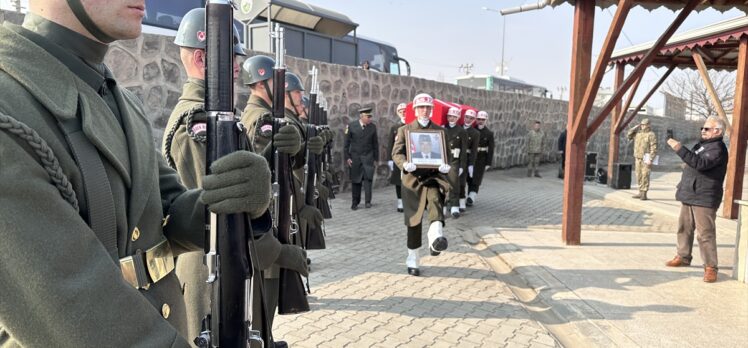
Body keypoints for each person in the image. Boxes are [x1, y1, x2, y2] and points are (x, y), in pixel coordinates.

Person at [0, 1, 270, 346]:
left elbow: (167, 211)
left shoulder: (121, 102)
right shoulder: (10, 105)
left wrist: (235, 199)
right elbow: (75, 304)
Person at [161, 10, 308, 347]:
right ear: (202, 57)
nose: (236, 69)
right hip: (208, 272)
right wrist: (277, 251)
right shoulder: (196, 122)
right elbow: (222, 210)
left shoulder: (218, 117)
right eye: (230, 59)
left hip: (233, 261)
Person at [240, 57, 322, 344]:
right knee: (263, 301)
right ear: (262, 84)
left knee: (268, 304)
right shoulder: (261, 121)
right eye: (278, 82)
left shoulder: (266, 117)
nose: (285, 88)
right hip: (268, 224)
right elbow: (267, 178)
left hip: (275, 220)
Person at [392, 93, 451, 276]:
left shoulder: (440, 131)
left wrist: (445, 165)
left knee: (435, 202)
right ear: (415, 110)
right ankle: (413, 259)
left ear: (432, 110)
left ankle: (435, 238)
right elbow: (397, 153)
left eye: (427, 107)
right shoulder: (405, 130)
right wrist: (404, 164)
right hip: (413, 181)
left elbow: (445, 154)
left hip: (433, 177)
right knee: (414, 221)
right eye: (421, 107)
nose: (424, 111)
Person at [664, 116, 728, 283]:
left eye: (706, 128)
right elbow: (692, 160)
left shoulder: (717, 148)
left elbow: (700, 164)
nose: (703, 130)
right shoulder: (702, 145)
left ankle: (710, 267)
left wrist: (679, 147)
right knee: (684, 228)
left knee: (705, 234)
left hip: (705, 196)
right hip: (690, 193)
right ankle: (683, 256)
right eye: (702, 128)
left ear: (717, 131)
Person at [344, 106, 379, 210]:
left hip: (368, 157)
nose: (370, 119)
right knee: (356, 181)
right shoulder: (351, 126)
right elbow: (346, 144)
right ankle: (355, 202)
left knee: (368, 180)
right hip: (355, 158)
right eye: (368, 117)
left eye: (370, 117)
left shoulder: (372, 127)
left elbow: (375, 144)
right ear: (361, 116)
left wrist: (376, 159)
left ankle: (368, 201)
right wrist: (347, 157)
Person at [467, 110, 495, 206]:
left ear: (486, 120)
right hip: (470, 156)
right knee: (468, 177)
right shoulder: (471, 130)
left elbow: (491, 149)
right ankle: (465, 196)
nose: (480, 121)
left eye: (483, 119)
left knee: (476, 178)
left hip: (481, 158)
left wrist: (488, 163)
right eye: (479, 119)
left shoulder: (489, 133)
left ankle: (471, 196)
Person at [444, 106, 467, 218]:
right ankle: (442, 206)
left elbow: (463, 149)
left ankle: (454, 206)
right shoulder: (442, 128)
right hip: (444, 159)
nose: (451, 118)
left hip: (454, 159)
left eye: (454, 116)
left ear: (458, 118)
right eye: (450, 116)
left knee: (454, 183)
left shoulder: (461, 131)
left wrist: (462, 165)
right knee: (442, 182)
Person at [627, 118, 657, 200]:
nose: (642, 126)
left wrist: (651, 159)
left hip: (646, 158)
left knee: (645, 175)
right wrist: (634, 127)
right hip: (637, 158)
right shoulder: (638, 133)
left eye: (644, 124)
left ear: (648, 125)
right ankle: (640, 192)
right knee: (638, 175)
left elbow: (653, 147)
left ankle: (644, 193)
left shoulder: (651, 134)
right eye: (642, 124)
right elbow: (629, 135)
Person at [388, 103, 407, 212]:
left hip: (409, 157)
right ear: (398, 113)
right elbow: (390, 143)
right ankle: (400, 202)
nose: (403, 113)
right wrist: (390, 160)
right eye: (401, 112)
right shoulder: (395, 127)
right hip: (398, 157)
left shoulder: (412, 124)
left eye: (405, 111)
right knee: (398, 181)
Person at [461, 109, 480, 209]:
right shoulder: (458, 128)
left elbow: (474, 150)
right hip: (456, 157)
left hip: (467, 158)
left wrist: (471, 164)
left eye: (471, 118)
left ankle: (462, 200)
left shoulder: (475, 133)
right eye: (467, 117)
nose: (468, 120)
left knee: (463, 181)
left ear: (474, 120)